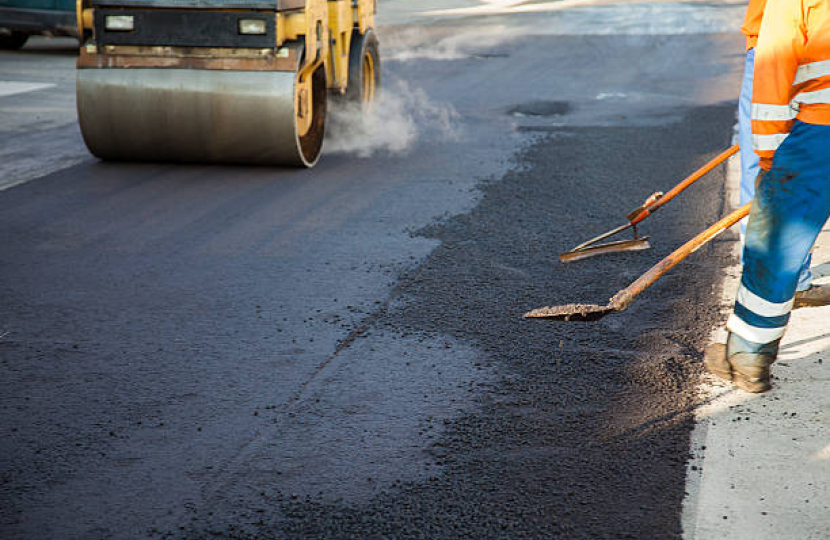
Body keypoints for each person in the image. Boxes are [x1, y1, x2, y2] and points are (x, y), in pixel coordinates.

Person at [705, 0, 830, 393]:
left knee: (776, 238)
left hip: (822, 126)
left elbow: (775, 68)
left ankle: (749, 351)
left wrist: (769, 160)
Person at [737, 0, 816, 296]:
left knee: (763, 154)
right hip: (803, 42)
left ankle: (768, 278)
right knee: (802, 157)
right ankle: (786, 276)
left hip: (776, 42)